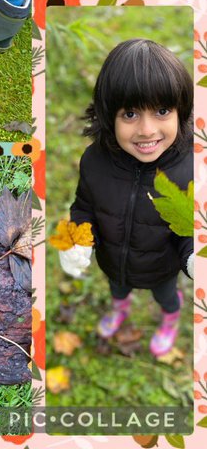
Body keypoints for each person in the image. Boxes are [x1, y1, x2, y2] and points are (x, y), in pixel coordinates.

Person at [59, 38, 194, 357]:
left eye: (162, 111)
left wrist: (192, 258)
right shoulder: (95, 161)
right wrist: (77, 239)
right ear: (108, 115)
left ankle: (170, 318)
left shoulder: (190, 171)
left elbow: (188, 229)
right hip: (113, 261)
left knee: (166, 296)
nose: (147, 130)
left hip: (162, 267)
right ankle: (120, 308)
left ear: (181, 110)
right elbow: (84, 206)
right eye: (130, 114)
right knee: (117, 290)